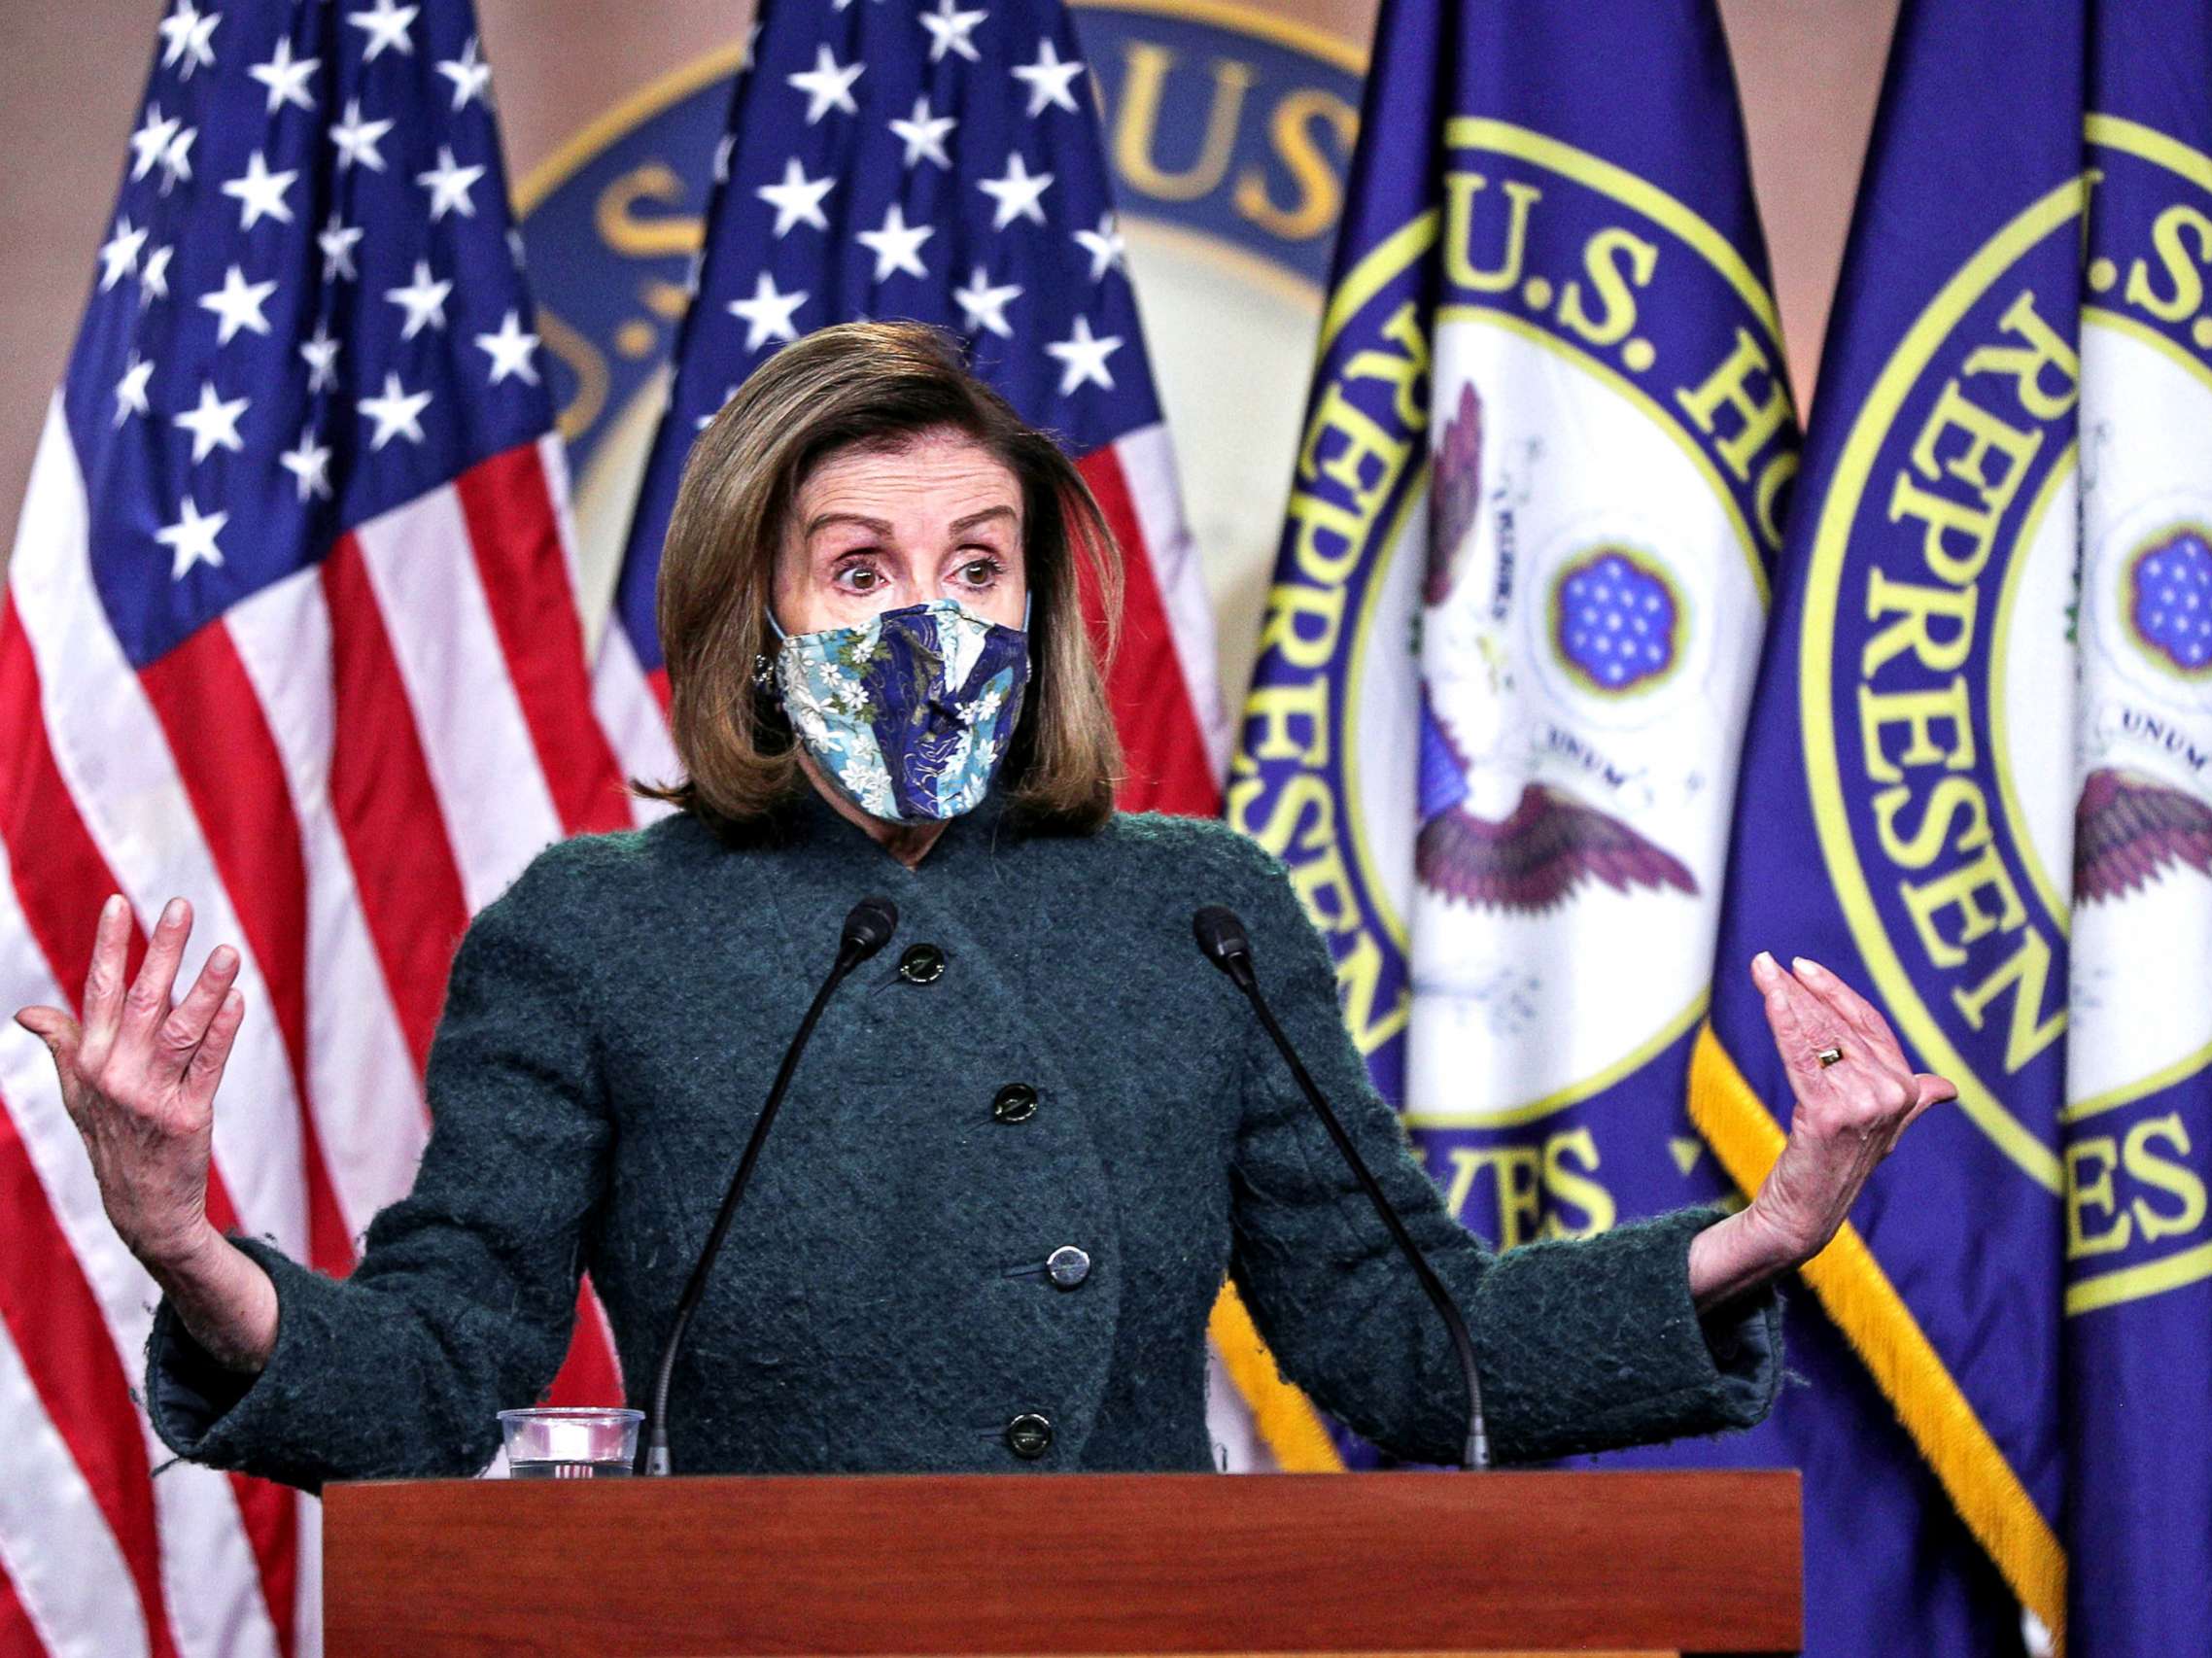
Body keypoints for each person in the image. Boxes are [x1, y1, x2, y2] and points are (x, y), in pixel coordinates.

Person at [17, 321, 1953, 1488]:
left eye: (977, 561)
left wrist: (1766, 1228)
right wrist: (188, 1240)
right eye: (856, 570)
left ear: (1045, 608)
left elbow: (1404, 1341)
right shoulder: (593, 929)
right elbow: (445, 1372)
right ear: (756, 623)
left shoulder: (1199, 911)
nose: (928, 614)